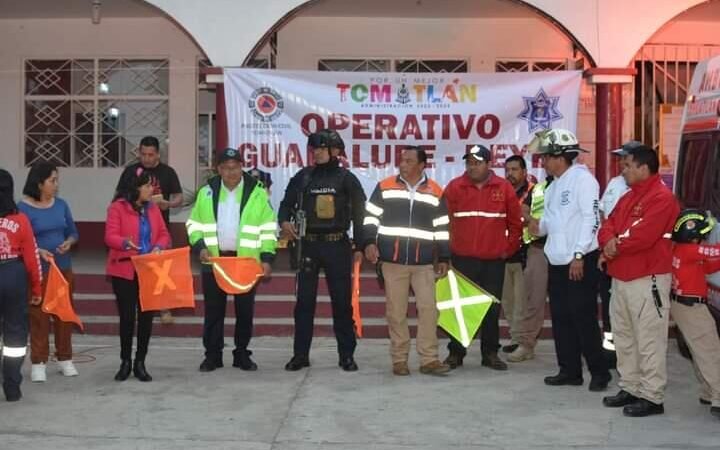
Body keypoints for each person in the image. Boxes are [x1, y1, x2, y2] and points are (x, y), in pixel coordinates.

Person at [527, 128, 611, 391]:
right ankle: (569, 370)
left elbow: (591, 219)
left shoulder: (583, 181)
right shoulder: (553, 187)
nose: (543, 162)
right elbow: (552, 223)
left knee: (583, 316)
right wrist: (536, 226)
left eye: (546, 157)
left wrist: (578, 255)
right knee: (562, 316)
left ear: (560, 157)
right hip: (558, 262)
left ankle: (599, 373)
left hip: (580, 260)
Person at [598, 145, 679, 416]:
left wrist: (613, 245)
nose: (623, 169)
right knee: (624, 337)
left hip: (647, 279)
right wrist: (608, 240)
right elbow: (607, 223)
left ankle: (652, 396)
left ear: (644, 168)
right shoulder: (628, 196)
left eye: (628, 165)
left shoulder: (662, 198)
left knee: (649, 338)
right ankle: (631, 386)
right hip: (621, 278)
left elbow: (643, 235)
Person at [279, 131, 366, 372]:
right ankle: (300, 355)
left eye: (322, 148)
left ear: (335, 151)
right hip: (307, 246)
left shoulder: (347, 179)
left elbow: (360, 215)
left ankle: (346, 355)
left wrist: (360, 245)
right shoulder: (303, 177)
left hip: (337, 246)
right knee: (304, 304)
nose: (316, 152)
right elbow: (285, 206)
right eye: (313, 148)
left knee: (341, 304)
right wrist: (284, 221)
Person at [363, 146, 451, 376]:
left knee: (429, 310)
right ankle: (399, 359)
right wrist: (369, 242)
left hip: (424, 263)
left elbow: (442, 227)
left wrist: (443, 256)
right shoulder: (384, 187)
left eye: (409, 161)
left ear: (422, 165)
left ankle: (429, 359)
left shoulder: (435, 191)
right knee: (396, 312)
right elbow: (370, 218)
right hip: (393, 261)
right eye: (402, 160)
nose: (403, 164)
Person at [187, 148, 276, 373]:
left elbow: (268, 229)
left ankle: (242, 354)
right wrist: (199, 247)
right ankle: (212, 355)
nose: (231, 172)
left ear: (241, 166)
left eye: (235, 167)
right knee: (214, 311)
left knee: (244, 311)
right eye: (226, 168)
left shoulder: (257, 193)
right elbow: (194, 224)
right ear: (218, 169)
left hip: (245, 262)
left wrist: (266, 258)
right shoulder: (207, 192)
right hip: (214, 261)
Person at [442, 145, 522, 371]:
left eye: (477, 162)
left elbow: (516, 225)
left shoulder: (504, 188)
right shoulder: (455, 187)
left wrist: (506, 250)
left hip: (493, 261)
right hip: (462, 259)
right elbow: (442, 221)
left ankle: (490, 354)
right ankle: (456, 353)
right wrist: (447, 251)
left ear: (489, 164)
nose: (472, 167)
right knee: (460, 308)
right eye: (469, 162)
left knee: (491, 309)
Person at [105, 167, 171, 382]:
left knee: (145, 318)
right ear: (134, 188)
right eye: (146, 185)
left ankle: (140, 361)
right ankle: (125, 361)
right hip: (124, 270)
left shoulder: (153, 209)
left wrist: (159, 247)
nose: (151, 189)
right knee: (126, 317)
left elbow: (163, 234)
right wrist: (125, 242)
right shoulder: (117, 208)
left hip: (149, 269)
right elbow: (110, 236)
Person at [19, 163, 79, 382]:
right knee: (39, 317)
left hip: (62, 268)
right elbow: (20, 241)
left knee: (64, 314)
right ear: (39, 183)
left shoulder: (61, 205)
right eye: (52, 180)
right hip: (38, 271)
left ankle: (65, 359)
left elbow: (73, 232)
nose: (56, 184)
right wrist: (38, 251)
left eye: (56, 180)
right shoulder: (23, 208)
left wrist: (69, 242)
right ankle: (38, 361)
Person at [116, 136, 182, 325]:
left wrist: (167, 203)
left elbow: (178, 197)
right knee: (136, 272)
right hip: (134, 229)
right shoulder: (130, 172)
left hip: (160, 230)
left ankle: (164, 308)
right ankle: (140, 306)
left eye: (150, 155)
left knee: (162, 271)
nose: (146, 158)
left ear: (158, 154)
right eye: (143, 154)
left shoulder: (168, 172)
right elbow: (119, 195)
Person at [670, 209, 720, 419]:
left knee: (698, 349)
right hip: (692, 307)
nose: (704, 237)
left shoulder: (681, 250)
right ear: (691, 235)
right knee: (710, 350)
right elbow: (715, 252)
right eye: (702, 234)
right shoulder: (690, 251)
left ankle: (708, 392)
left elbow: (708, 267)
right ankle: (719, 395)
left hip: (682, 305)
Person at [0, 169, 42, 402]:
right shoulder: (20, 220)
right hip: (13, 273)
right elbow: (32, 258)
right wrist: (37, 288)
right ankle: (12, 385)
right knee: (15, 334)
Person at [506, 162, 554, 363]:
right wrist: (530, 219)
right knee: (532, 301)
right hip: (538, 249)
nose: (547, 163)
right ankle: (526, 345)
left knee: (571, 303)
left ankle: (576, 347)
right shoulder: (539, 188)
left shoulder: (577, 184)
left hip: (567, 251)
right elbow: (524, 209)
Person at [597, 142, 635, 364]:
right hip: (608, 253)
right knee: (610, 303)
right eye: (620, 159)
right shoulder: (614, 183)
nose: (621, 163)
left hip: (627, 254)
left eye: (626, 159)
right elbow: (604, 214)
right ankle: (611, 353)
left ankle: (628, 355)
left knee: (628, 309)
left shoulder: (643, 187)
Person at [501, 155, 534, 354]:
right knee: (508, 301)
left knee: (522, 301)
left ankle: (523, 341)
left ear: (524, 172)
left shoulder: (533, 192)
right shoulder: (501, 191)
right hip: (504, 253)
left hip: (525, 253)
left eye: (514, 169)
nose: (510, 173)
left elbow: (528, 218)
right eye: (508, 169)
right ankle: (515, 338)